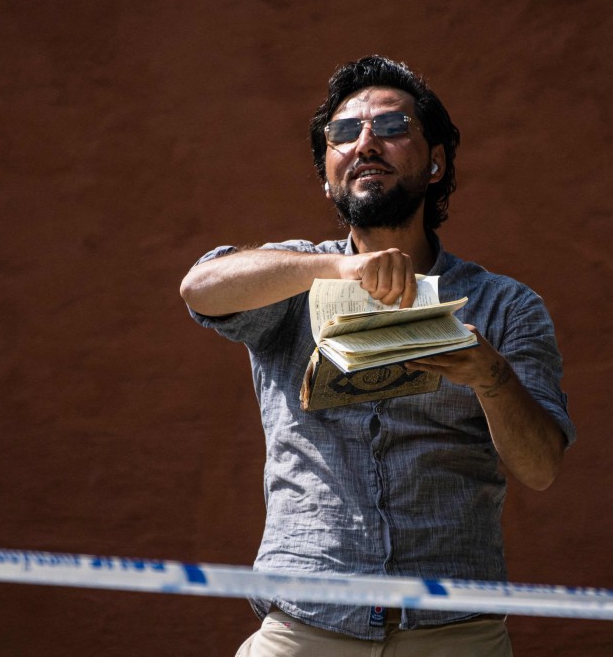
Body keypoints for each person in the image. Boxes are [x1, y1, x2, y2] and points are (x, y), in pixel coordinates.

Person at [180, 55, 575, 656]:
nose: (366, 143)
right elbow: (199, 288)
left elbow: (541, 467)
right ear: (327, 173)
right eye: (344, 132)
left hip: (455, 634)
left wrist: (488, 374)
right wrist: (339, 268)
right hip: (304, 626)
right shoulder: (290, 281)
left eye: (391, 128)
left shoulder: (505, 306)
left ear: (435, 161)